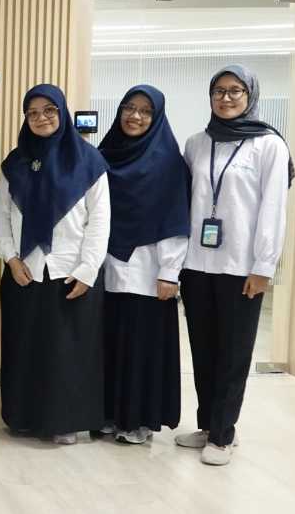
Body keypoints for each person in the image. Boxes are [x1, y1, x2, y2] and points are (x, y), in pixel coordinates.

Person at [175, 65, 292, 466]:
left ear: (250, 95)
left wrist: (264, 266)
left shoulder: (268, 145)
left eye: (235, 90)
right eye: (219, 91)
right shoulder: (196, 143)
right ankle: (208, 425)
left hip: (241, 266)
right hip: (196, 264)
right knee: (203, 349)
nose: (226, 98)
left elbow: (273, 208)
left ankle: (223, 436)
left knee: (234, 352)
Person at [0, 84, 111, 445]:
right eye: (33, 113)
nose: (41, 118)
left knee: (66, 353)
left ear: (62, 112)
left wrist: (88, 270)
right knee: (25, 348)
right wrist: (11, 258)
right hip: (24, 271)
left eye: (49, 110)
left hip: (70, 273)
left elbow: (100, 221)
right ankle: (24, 416)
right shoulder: (16, 161)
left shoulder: (88, 160)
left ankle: (64, 421)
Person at [97, 85, 190, 445]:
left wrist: (169, 272)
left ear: (157, 116)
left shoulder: (168, 161)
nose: (135, 116)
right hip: (105, 267)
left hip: (148, 273)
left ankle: (137, 421)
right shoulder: (104, 155)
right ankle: (106, 413)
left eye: (146, 111)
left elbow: (174, 218)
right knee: (108, 345)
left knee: (140, 350)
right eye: (129, 107)